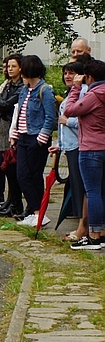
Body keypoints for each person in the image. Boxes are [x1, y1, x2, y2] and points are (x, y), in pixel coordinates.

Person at [9, 55, 57, 227]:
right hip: (23, 137)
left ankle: (38, 213)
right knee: (22, 175)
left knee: (33, 175)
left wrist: (41, 138)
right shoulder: (24, 90)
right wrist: (14, 134)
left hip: (36, 138)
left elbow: (51, 117)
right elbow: (20, 114)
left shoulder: (45, 90)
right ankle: (36, 211)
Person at [63, 60, 105, 249]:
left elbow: (69, 110)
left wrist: (75, 88)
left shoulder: (93, 95)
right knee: (101, 191)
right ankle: (102, 232)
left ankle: (94, 235)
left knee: (92, 192)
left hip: (91, 149)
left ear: (89, 77)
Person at [51, 61, 87, 242]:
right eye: (65, 73)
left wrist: (67, 121)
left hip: (81, 147)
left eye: (72, 73)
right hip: (70, 147)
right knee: (77, 187)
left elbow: (85, 123)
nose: (67, 76)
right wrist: (59, 145)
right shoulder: (70, 93)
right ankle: (82, 225)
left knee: (82, 189)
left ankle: (84, 228)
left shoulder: (84, 92)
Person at [0, 54, 25, 219]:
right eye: (8, 66)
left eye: (13, 66)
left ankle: (16, 202)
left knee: (11, 167)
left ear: (20, 68)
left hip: (12, 127)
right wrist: (2, 104)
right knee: (5, 166)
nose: (10, 69)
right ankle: (11, 200)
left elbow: (8, 103)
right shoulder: (8, 84)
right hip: (3, 127)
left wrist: (3, 104)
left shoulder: (21, 86)